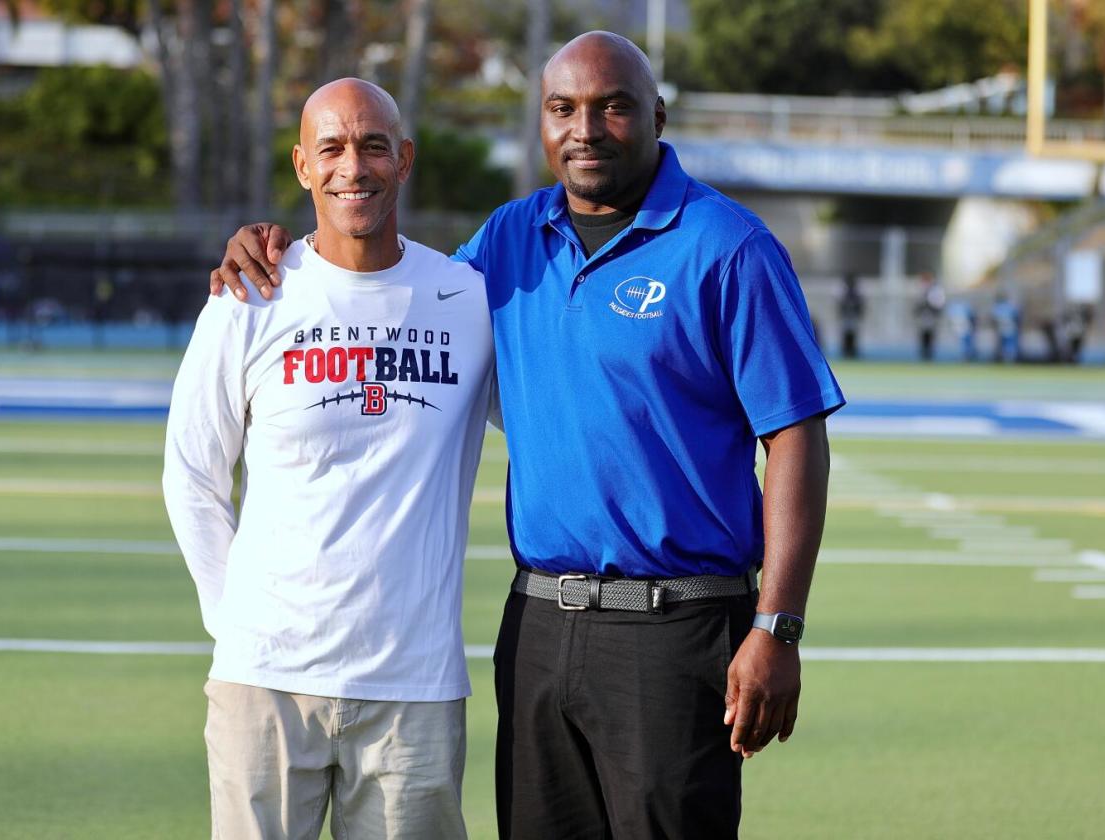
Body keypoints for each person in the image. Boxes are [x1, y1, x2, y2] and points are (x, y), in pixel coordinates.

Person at [210, 32, 843, 840]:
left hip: (676, 626)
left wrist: (777, 627)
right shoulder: (509, 240)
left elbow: (795, 436)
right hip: (539, 626)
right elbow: (388, 289)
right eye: (562, 109)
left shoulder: (729, 246)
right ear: (541, 124)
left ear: (656, 114)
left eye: (612, 107)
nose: (586, 128)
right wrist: (279, 253)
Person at [163, 78, 497, 840]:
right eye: (333, 149)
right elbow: (192, 473)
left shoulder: (466, 297)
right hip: (267, 684)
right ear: (303, 167)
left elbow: (557, 415)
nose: (355, 166)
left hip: (413, 686)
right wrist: (235, 622)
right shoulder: (251, 296)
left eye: (374, 145)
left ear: (404, 159)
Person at [914, 272, 945, 361]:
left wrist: (927, 305)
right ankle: (924, 355)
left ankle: (929, 356)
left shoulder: (935, 289)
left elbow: (938, 304)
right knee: (923, 336)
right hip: (924, 316)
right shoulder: (923, 290)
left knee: (930, 336)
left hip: (931, 315)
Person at [838, 273, 865, 359]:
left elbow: (860, 306)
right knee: (846, 336)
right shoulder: (844, 294)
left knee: (852, 336)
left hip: (853, 317)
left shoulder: (856, 294)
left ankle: (852, 353)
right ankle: (846, 352)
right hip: (847, 317)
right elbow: (840, 306)